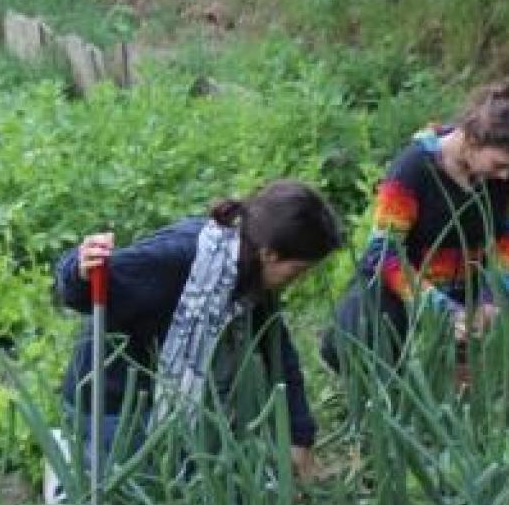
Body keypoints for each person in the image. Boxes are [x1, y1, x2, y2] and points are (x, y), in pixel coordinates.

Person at [55, 180, 344, 479]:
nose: (297, 280)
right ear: (269, 253)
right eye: (297, 270)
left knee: (226, 477)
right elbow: (80, 291)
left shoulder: (251, 272)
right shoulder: (180, 257)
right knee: (161, 487)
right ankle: (74, 451)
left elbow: (278, 352)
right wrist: (78, 268)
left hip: (169, 403)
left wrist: (299, 437)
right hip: (111, 405)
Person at [320, 81, 509, 374]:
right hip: (402, 286)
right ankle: (399, 378)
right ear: (471, 141)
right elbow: (383, 254)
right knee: (351, 339)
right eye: (499, 164)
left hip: (472, 280)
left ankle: (503, 350)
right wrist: (442, 310)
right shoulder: (413, 169)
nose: (507, 175)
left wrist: (493, 299)